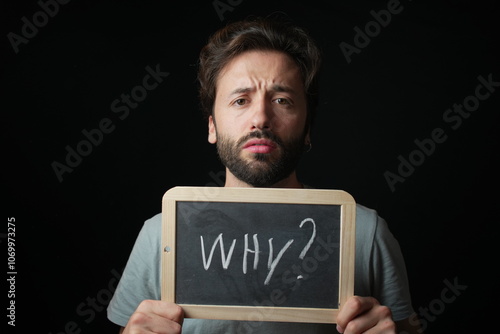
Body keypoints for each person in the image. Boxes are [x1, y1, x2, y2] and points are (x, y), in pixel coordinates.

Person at [107, 16, 422, 334]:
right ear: (212, 126)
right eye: (240, 100)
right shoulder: (162, 234)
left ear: (308, 129)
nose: (260, 117)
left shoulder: (364, 234)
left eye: (282, 100)